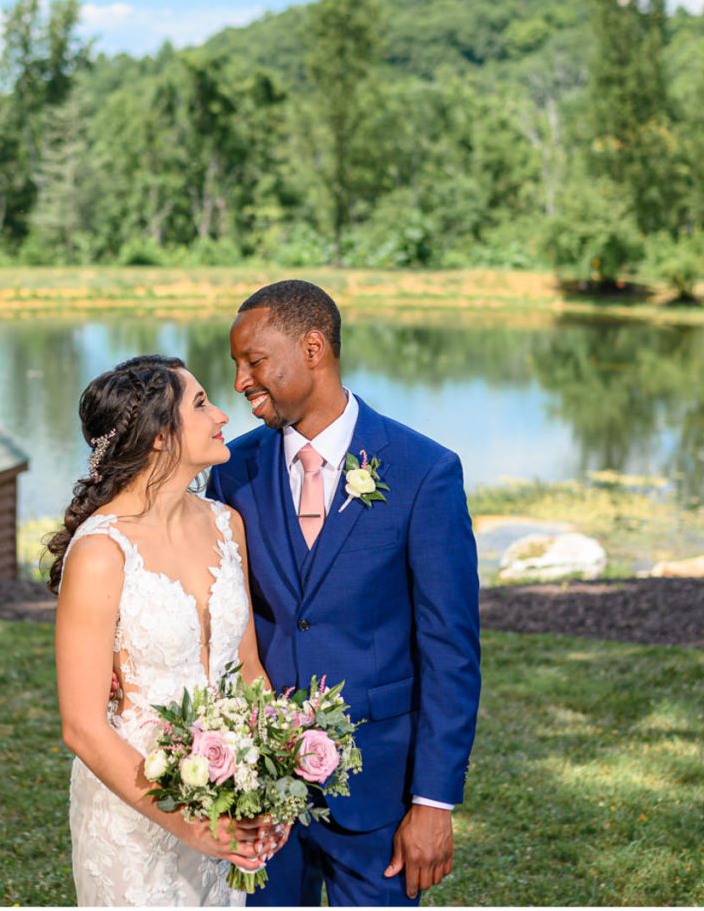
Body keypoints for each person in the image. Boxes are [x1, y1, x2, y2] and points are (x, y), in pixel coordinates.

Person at [206, 280, 481, 906]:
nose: (242, 381)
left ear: (312, 348)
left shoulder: (422, 471)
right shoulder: (231, 470)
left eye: (254, 361)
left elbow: (450, 650)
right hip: (259, 791)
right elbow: (216, 611)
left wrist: (433, 802)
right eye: (235, 366)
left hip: (379, 796)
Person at [51, 354, 286, 905]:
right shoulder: (102, 551)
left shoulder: (227, 525)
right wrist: (190, 825)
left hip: (227, 795)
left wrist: (271, 782)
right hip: (134, 810)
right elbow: (82, 727)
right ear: (160, 435)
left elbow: (247, 668)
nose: (223, 415)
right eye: (201, 404)